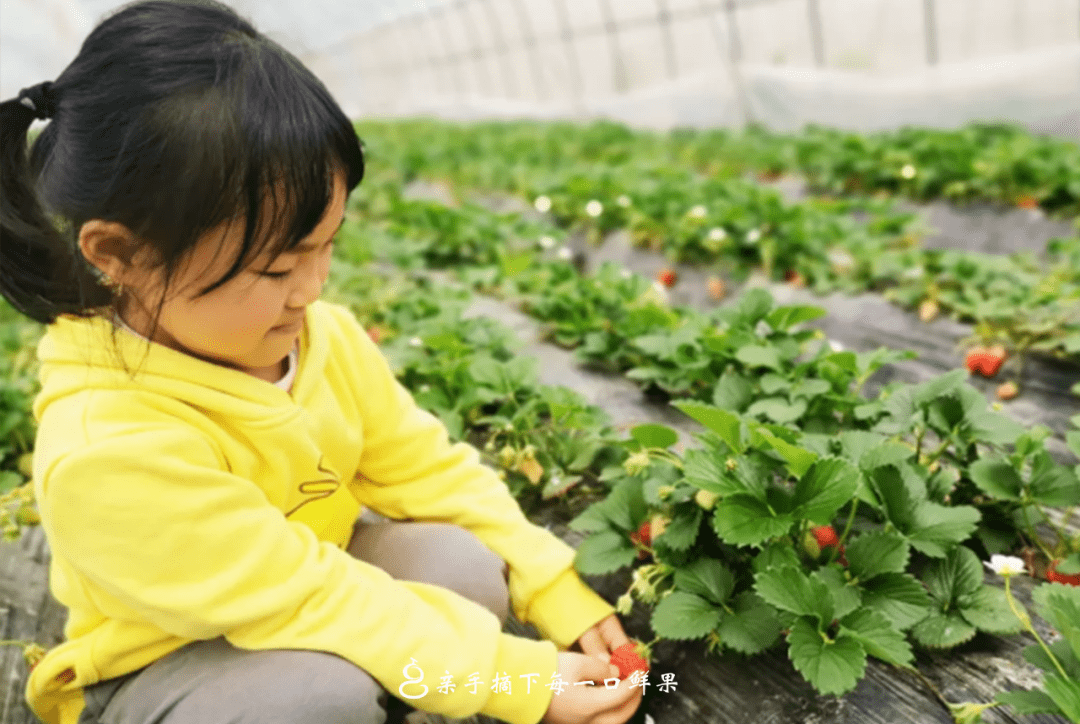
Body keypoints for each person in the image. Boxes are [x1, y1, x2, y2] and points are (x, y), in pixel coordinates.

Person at [0, 2, 644, 723]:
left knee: (462, 567)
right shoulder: (107, 449)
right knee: (313, 699)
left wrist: (550, 586)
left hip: (306, 589)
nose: (312, 289)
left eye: (326, 245)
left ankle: (393, 690)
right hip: (167, 662)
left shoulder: (317, 340)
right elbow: (310, 595)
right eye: (276, 269)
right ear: (119, 254)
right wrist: (511, 678)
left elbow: (426, 467)